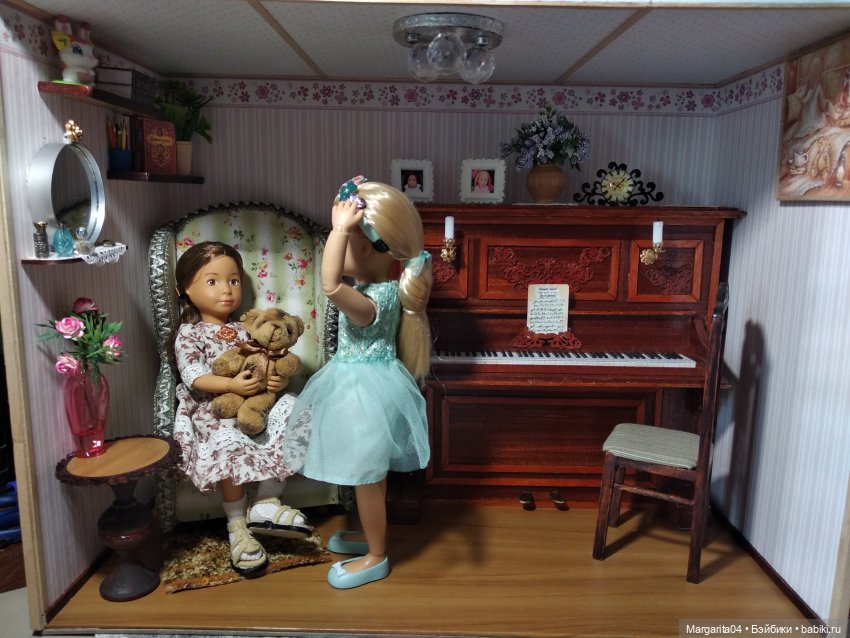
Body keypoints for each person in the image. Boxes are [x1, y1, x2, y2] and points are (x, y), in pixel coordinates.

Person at [284, 177, 432, 589]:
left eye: (346, 240)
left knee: (367, 479)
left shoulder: (371, 302)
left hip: (365, 393)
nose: (338, 244)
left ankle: (376, 556)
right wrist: (343, 211)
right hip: (361, 388)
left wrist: (339, 228)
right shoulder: (379, 290)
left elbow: (330, 284)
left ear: (365, 248)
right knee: (367, 475)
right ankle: (371, 536)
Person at [173, 241, 312, 576]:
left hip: (257, 404)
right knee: (227, 437)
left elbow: (268, 362)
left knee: (295, 409)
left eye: (233, 281)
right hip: (215, 408)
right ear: (185, 289)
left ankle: (266, 502)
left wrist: (276, 381)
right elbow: (194, 376)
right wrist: (232, 386)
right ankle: (237, 525)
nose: (226, 290)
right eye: (212, 281)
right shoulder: (190, 333)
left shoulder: (246, 329)